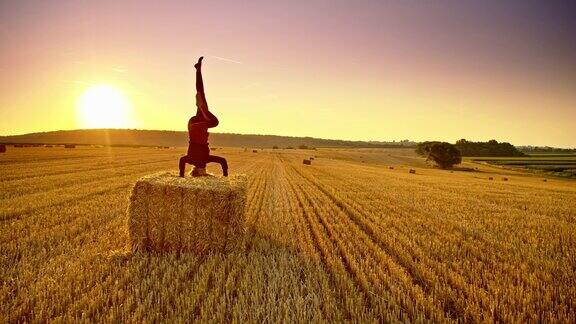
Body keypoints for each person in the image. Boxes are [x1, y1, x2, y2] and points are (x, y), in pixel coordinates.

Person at [179, 56, 228, 177]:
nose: (205, 170)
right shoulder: (193, 160)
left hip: (199, 125)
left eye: (204, 172)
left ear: (199, 170)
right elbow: (182, 161)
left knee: (214, 121)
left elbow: (223, 162)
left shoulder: (202, 159)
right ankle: (198, 70)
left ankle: (202, 107)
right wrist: (181, 176)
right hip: (193, 125)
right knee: (201, 93)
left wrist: (226, 176)